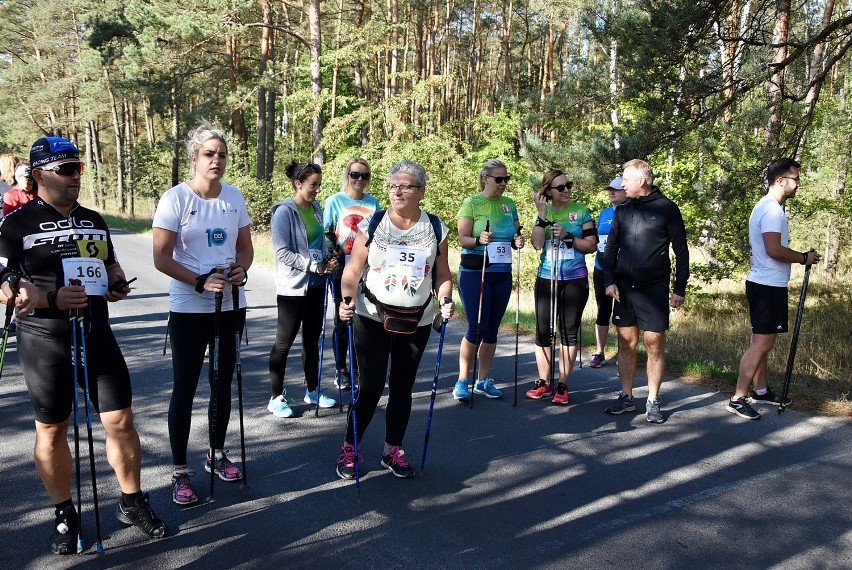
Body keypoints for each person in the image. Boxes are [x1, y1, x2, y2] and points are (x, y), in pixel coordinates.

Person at [0, 137, 167, 554]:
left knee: (121, 420)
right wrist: (42, 298)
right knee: (53, 428)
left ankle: (131, 501)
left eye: (79, 167)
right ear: (40, 175)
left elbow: (109, 263)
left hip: (95, 331)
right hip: (44, 338)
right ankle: (64, 513)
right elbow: (4, 284)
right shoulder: (16, 223)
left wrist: (114, 282)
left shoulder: (92, 219)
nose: (77, 175)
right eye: (67, 169)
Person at [153, 122, 253, 505]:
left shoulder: (233, 197)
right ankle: (179, 471)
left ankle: (216, 452)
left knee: (222, 381)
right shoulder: (175, 198)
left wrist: (241, 270)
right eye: (209, 154)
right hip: (190, 306)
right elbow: (161, 256)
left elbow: (244, 249)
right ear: (194, 158)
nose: (217, 160)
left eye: (222, 154)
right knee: (186, 386)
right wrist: (198, 280)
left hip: (229, 304)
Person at [336, 160, 454, 479]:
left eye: (405, 186)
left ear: (421, 192)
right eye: (392, 185)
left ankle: (392, 450)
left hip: (418, 319)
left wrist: (446, 299)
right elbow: (352, 272)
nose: (397, 191)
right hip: (371, 315)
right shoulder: (373, 224)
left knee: (403, 387)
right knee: (371, 387)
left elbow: (443, 275)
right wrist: (346, 300)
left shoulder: (435, 227)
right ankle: (351, 448)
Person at [728, 159, 820, 420]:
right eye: (795, 179)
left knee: (762, 342)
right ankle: (737, 397)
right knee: (761, 344)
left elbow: (760, 249)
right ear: (781, 180)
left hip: (766, 282)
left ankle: (761, 389)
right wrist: (804, 258)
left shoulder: (767, 207)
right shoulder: (771, 210)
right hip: (767, 285)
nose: (798, 184)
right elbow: (773, 249)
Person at [601, 159, 689, 423]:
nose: (622, 184)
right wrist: (608, 280)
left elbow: (681, 251)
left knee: (654, 345)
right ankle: (626, 397)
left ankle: (653, 400)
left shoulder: (667, 209)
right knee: (626, 344)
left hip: (654, 289)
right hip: (623, 289)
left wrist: (679, 287)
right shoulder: (623, 209)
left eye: (626, 180)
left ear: (641, 181)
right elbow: (611, 248)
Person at [267, 161, 339, 418]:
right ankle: (276, 397)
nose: (317, 190)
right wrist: (313, 266)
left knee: (311, 340)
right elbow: (282, 253)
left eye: (318, 185)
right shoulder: (284, 212)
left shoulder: (316, 208)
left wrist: (329, 257)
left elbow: (319, 242)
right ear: (298, 184)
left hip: (316, 286)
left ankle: (312, 389)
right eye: (313, 185)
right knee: (283, 343)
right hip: (293, 287)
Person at [452, 159, 524, 402]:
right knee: (476, 327)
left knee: (492, 328)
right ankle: (462, 380)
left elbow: (516, 235)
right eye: (499, 179)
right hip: (476, 272)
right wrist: (478, 239)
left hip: (501, 273)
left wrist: (518, 241)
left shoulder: (508, 205)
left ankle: (483, 380)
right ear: (485, 178)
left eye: (506, 179)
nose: (503, 184)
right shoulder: (471, 203)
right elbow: (463, 239)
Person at [525, 170, 597, 404]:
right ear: (548, 192)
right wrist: (541, 216)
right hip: (547, 278)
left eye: (569, 184)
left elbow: (591, 245)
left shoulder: (582, 211)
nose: (566, 190)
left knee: (567, 331)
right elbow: (537, 244)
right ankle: (544, 382)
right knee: (543, 331)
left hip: (574, 279)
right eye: (560, 187)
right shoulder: (543, 214)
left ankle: (563, 385)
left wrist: (568, 237)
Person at [323, 158, 380, 389]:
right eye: (355, 174)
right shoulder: (334, 201)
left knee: (363, 321)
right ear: (348, 175)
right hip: (342, 268)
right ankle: (342, 369)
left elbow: (377, 234)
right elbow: (326, 232)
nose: (359, 180)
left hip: (366, 269)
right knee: (343, 319)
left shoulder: (373, 203)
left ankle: (359, 369)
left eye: (364, 175)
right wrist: (332, 253)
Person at [590, 177, 627, 368]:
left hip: (623, 272)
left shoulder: (631, 212)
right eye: (609, 190)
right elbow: (597, 239)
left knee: (623, 314)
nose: (611, 192)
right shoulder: (604, 213)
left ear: (625, 191)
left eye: (615, 189)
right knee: (603, 310)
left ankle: (624, 354)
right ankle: (599, 352)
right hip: (602, 270)